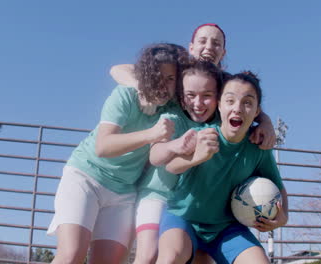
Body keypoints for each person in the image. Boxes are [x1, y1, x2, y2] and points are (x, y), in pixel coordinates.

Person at [47, 43, 188, 264]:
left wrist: (263, 121)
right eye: (158, 76)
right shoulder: (125, 94)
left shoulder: (171, 109)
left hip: (123, 192)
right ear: (147, 75)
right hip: (86, 177)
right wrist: (150, 134)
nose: (164, 84)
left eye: (171, 79)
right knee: (71, 254)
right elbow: (103, 147)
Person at [156, 72, 289, 264]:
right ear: (219, 105)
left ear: (256, 112)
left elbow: (279, 187)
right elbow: (171, 166)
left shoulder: (258, 148)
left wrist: (283, 218)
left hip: (226, 229)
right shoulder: (203, 135)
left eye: (247, 102)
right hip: (184, 218)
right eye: (230, 100)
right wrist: (196, 157)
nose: (237, 108)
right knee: (170, 259)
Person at [110, 23, 276, 150]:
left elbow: (246, 103)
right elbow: (118, 69)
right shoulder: (175, 72)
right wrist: (144, 90)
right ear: (191, 47)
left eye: (216, 43)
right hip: (161, 146)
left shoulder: (227, 83)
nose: (209, 47)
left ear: (223, 52)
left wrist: (266, 122)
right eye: (203, 41)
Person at [133, 59, 223, 264]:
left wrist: (264, 123)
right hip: (158, 195)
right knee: (148, 255)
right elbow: (155, 156)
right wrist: (176, 145)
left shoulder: (220, 124)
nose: (198, 104)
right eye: (190, 95)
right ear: (181, 97)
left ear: (218, 97)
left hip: (192, 204)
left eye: (207, 96)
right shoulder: (173, 116)